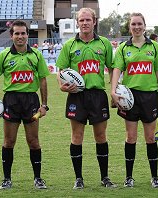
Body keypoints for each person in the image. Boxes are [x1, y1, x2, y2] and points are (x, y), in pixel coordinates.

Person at [0, 20, 50, 190]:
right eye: (17, 33)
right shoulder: (4, 55)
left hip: (31, 102)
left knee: (33, 141)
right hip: (11, 101)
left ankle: (38, 178)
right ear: (11, 36)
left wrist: (44, 105)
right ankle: (6, 179)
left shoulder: (36, 55)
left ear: (28, 35)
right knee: (9, 141)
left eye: (23, 33)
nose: (20, 36)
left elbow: (42, 80)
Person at [55, 7, 116, 189]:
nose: (85, 23)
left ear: (94, 21)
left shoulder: (104, 43)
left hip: (98, 95)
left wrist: (113, 91)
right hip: (76, 96)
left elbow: (112, 69)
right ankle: (78, 179)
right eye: (81, 20)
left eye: (88, 20)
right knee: (77, 136)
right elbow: (60, 70)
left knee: (101, 135)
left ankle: (105, 178)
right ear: (77, 23)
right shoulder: (69, 46)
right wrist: (61, 85)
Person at [110, 12, 158, 188]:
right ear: (129, 27)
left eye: (139, 24)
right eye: (133, 24)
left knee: (150, 138)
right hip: (130, 97)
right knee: (131, 137)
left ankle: (155, 177)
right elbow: (117, 71)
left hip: (150, 96)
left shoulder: (154, 47)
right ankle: (129, 177)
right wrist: (113, 91)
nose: (136, 27)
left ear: (145, 25)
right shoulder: (123, 48)